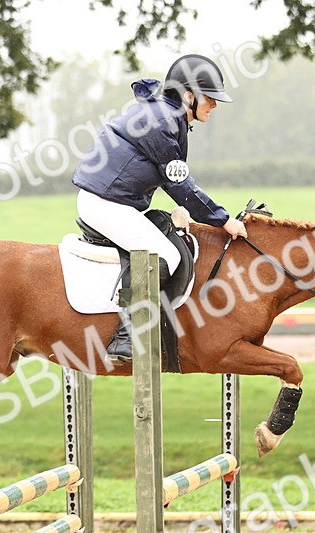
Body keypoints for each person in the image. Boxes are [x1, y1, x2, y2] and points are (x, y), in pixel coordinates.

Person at [72, 54, 248, 363]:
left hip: (113, 201)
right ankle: (126, 337)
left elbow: (173, 181)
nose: (215, 105)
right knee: (165, 255)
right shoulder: (163, 120)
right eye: (210, 98)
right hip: (105, 204)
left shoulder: (167, 116)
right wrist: (223, 220)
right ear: (189, 95)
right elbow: (178, 184)